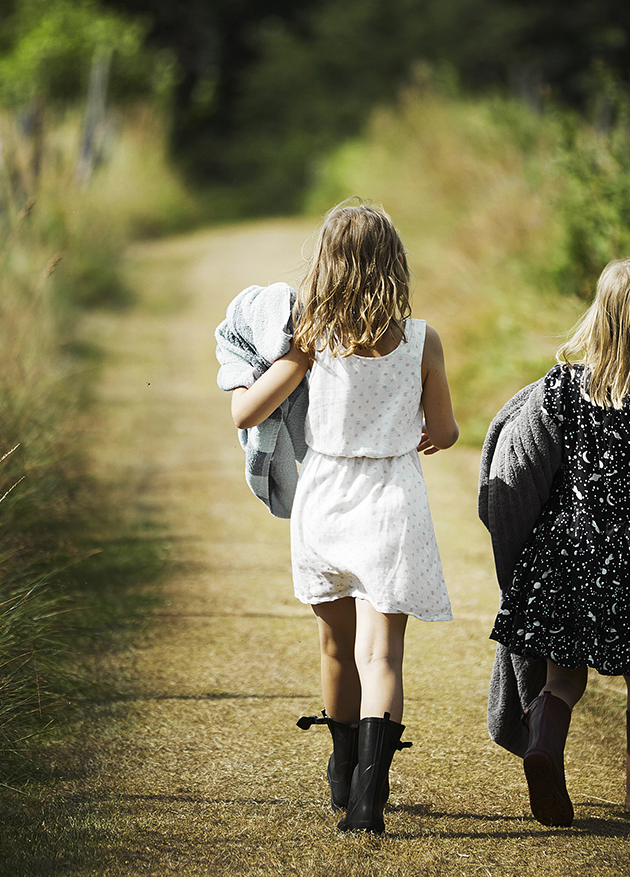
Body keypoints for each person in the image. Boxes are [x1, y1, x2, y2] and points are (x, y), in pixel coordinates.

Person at [228, 202, 458, 835]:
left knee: (335, 648)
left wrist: (262, 372)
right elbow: (444, 429)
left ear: (326, 265)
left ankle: (340, 765)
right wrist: (426, 432)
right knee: (381, 658)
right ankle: (368, 797)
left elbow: (246, 413)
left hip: (326, 498)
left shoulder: (312, 340)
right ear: (395, 265)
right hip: (391, 500)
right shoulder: (421, 339)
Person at [486, 259, 630, 826]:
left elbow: (533, 461)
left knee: (562, 677)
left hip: (562, 552)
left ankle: (543, 749)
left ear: (599, 317)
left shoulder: (560, 389)